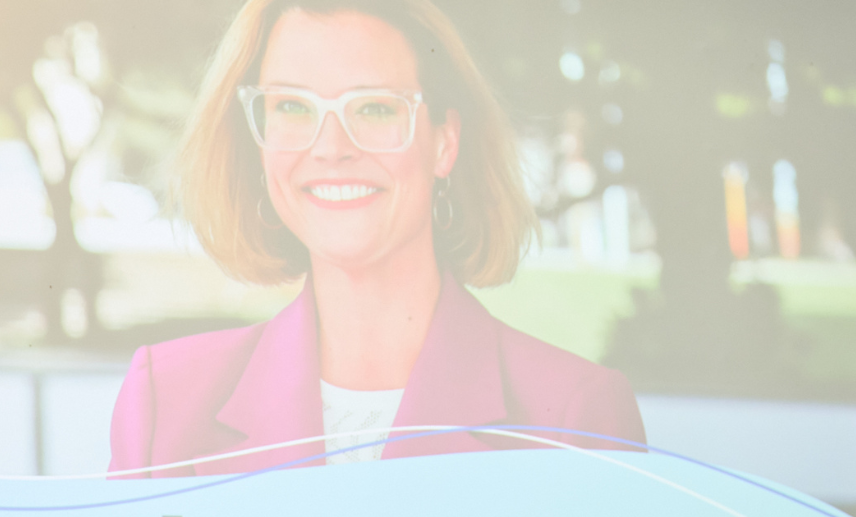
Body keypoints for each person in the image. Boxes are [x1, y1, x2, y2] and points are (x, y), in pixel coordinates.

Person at [109, 0, 645, 477]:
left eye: (375, 108)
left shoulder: (575, 416)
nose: (331, 147)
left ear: (444, 142)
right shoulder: (166, 402)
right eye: (293, 106)